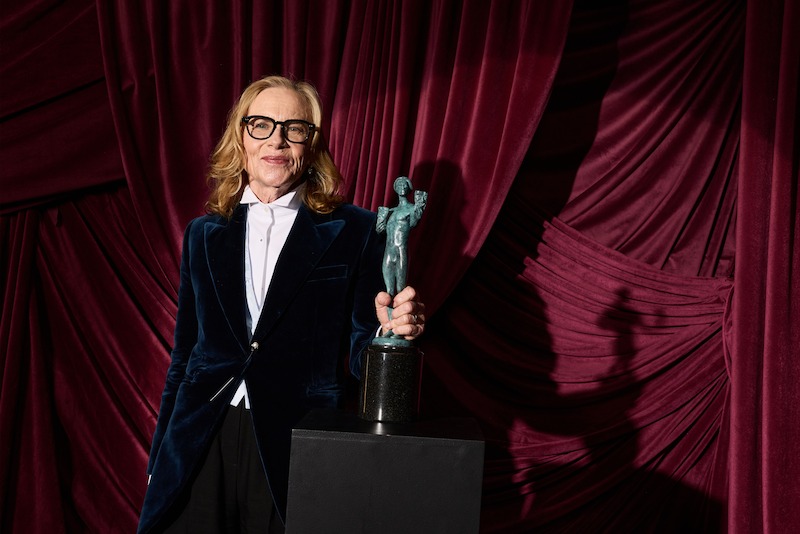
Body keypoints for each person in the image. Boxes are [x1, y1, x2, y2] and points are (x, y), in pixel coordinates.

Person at [137, 75, 426, 533]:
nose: (277, 140)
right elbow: (184, 355)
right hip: (198, 438)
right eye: (262, 125)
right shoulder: (203, 234)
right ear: (241, 137)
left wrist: (387, 336)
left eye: (294, 128)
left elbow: (359, 351)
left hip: (294, 442)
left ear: (311, 145)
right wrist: (159, 460)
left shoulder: (355, 230)